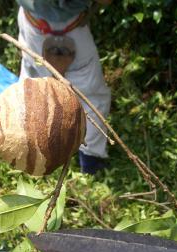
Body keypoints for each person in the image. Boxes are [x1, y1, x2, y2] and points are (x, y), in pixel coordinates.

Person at [16, 0, 112, 174]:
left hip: (31, 23)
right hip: (70, 28)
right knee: (91, 96)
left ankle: (31, 148)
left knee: (32, 83)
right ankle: (91, 162)